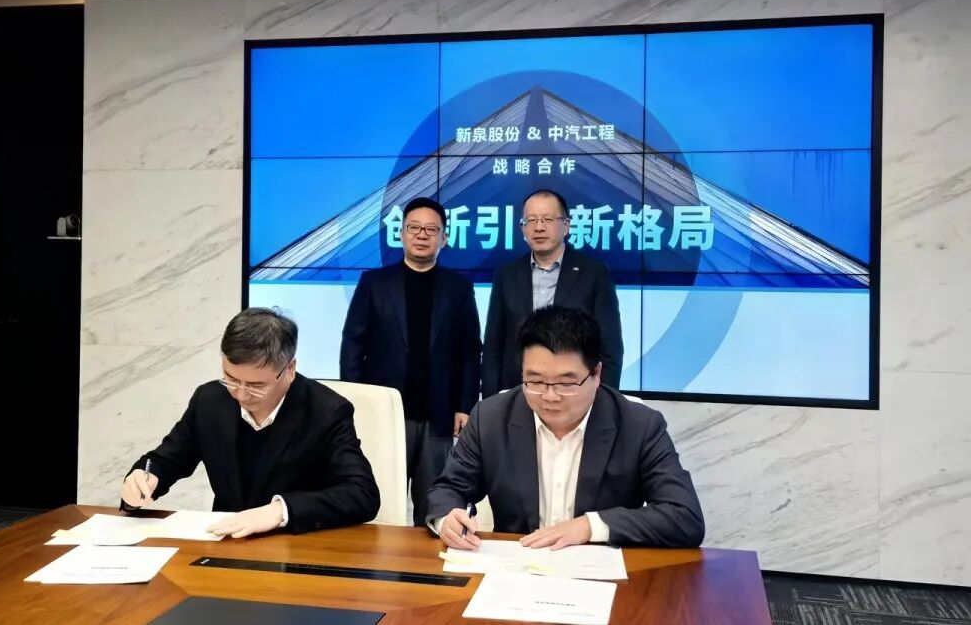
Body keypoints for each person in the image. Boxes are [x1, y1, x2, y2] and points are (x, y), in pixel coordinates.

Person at [427, 305, 704, 550]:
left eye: (566, 383)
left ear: (596, 374)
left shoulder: (639, 426)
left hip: (601, 576)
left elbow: (684, 516)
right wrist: (447, 518)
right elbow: (448, 489)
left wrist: (591, 526)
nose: (550, 396)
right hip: (518, 571)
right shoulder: (491, 418)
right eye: (535, 381)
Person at [119, 308, 379, 537]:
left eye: (256, 385)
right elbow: (165, 461)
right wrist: (142, 480)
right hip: (226, 544)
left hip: (297, 547)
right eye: (230, 379)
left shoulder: (327, 411)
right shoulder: (209, 400)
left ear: (289, 369)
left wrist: (280, 510)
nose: (241, 395)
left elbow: (362, 493)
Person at [340, 197, 481, 525]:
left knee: (434, 504)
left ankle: (429, 557)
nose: (422, 235)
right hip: (386, 411)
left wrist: (465, 406)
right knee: (381, 502)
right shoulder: (374, 283)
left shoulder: (458, 288)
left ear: (444, 238)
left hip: (438, 414)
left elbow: (470, 350)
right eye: (414, 228)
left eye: (431, 230)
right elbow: (353, 345)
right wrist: (357, 401)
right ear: (401, 233)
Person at [481, 189, 624, 398]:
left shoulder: (594, 273)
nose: (538, 227)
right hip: (517, 391)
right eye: (531, 220)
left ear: (566, 225)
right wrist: (491, 402)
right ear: (522, 228)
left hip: (573, 392)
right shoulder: (507, 274)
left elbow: (610, 348)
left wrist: (604, 401)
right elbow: (493, 347)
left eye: (547, 219)